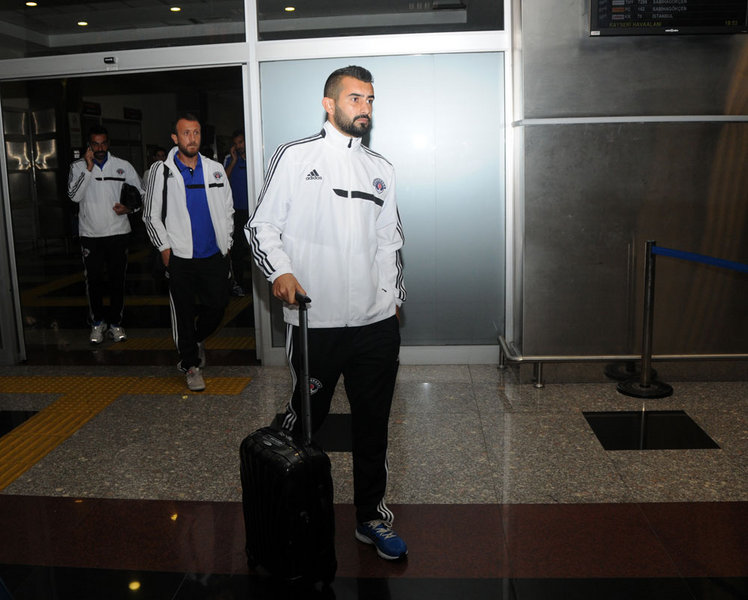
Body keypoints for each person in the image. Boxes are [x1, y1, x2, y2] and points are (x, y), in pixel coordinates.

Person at [247, 66, 407, 560]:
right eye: (355, 98)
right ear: (329, 103)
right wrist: (280, 271)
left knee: (373, 425)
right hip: (315, 323)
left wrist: (392, 301)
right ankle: (293, 514)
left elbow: (390, 241)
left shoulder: (380, 167)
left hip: (375, 326)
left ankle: (371, 518)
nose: (365, 107)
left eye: (370, 99)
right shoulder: (295, 157)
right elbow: (261, 227)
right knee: (305, 423)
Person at [142, 113, 234, 392]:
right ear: (175, 138)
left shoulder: (215, 169)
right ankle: (190, 364)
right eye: (186, 133)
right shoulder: (162, 171)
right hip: (180, 256)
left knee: (218, 305)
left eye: (196, 133)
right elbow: (150, 215)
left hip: (213, 254)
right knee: (182, 313)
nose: (192, 138)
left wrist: (227, 241)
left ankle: (194, 339)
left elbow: (227, 208)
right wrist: (164, 249)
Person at [67, 125, 144, 344]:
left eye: (103, 144)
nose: (100, 148)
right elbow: (74, 196)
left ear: (108, 144)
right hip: (90, 235)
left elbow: (142, 194)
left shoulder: (123, 166)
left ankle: (116, 324)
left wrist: (130, 209)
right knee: (94, 281)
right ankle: (97, 324)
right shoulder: (77, 167)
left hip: (118, 233)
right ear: (89, 145)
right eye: (95, 144)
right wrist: (88, 168)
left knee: (117, 281)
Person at [223, 129, 250, 297]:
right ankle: (238, 283)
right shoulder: (230, 159)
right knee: (237, 251)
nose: (239, 146)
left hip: (255, 210)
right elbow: (222, 180)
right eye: (236, 143)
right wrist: (233, 161)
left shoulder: (255, 156)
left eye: (241, 142)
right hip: (237, 211)